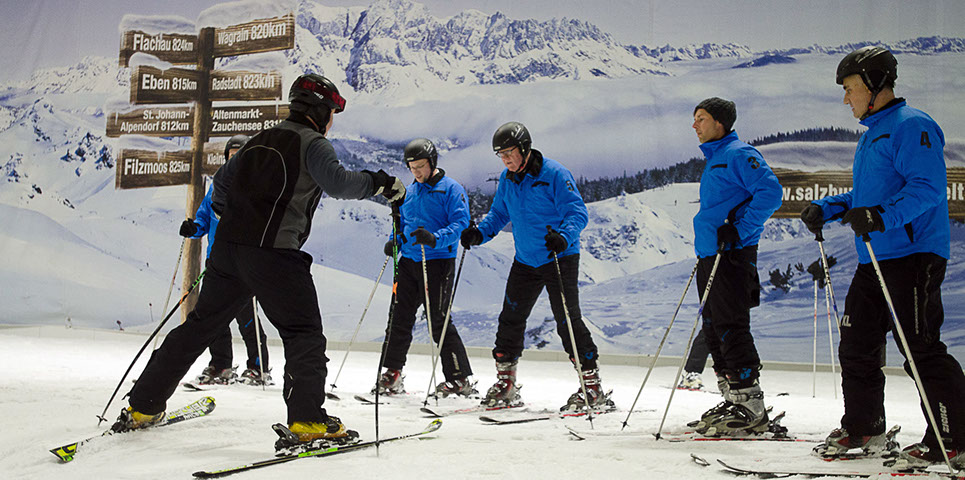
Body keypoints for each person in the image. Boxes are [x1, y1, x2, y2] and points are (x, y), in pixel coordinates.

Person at [113, 74, 406, 451]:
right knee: (302, 333)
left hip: (228, 251)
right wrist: (381, 183)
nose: (332, 121)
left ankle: (143, 406)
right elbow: (338, 183)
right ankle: (307, 421)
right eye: (332, 113)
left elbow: (220, 185)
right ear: (321, 112)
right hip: (275, 255)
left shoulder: (257, 140)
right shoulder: (312, 143)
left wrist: (229, 215)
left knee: (199, 328)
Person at [801, 46, 965, 468]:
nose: (846, 99)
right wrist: (831, 206)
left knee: (920, 349)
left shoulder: (912, 125)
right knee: (856, 345)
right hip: (874, 258)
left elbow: (927, 188)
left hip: (912, 255)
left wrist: (880, 216)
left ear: (875, 85)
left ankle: (954, 439)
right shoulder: (874, 132)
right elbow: (869, 195)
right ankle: (865, 426)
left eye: (850, 88)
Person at [460, 121, 611, 412]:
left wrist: (563, 237)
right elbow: (499, 214)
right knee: (510, 319)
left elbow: (577, 212)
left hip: (558, 256)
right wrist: (479, 234)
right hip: (526, 259)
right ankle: (506, 384)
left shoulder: (554, 174)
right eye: (501, 154)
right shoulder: (507, 179)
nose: (505, 159)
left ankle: (592, 388)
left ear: (525, 148)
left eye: (509, 152)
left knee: (567, 321)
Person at [690, 97, 783, 434]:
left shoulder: (739, 154)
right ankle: (733, 398)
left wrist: (740, 231)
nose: (695, 125)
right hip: (710, 254)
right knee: (713, 328)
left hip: (732, 254)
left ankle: (751, 404)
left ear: (720, 123)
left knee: (730, 325)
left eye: (701, 118)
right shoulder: (716, 158)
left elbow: (771, 193)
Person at [372, 138, 475, 398]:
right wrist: (396, 241)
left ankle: (459, 379)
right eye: (412, 167)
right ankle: (393, 373)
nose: (416, 172)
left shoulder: (451, 189)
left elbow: (461, 223)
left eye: (420, 166)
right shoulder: (410, 191)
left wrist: (434, 238)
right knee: (399, 318)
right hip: (409, 261)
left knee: (438, 319)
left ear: (432, 162)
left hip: (438, 260)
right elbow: (403, 224)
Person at [178, 134, 272, 387]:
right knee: (212, 316)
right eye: (231, 157)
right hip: (217, 262)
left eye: (240, 156)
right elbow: (204, 218)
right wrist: (193, 228)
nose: (235, 161)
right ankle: (221, 365)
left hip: (244, 262)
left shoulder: (258, 187)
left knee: (246, 316)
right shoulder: (216, 187)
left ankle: (258, 367)